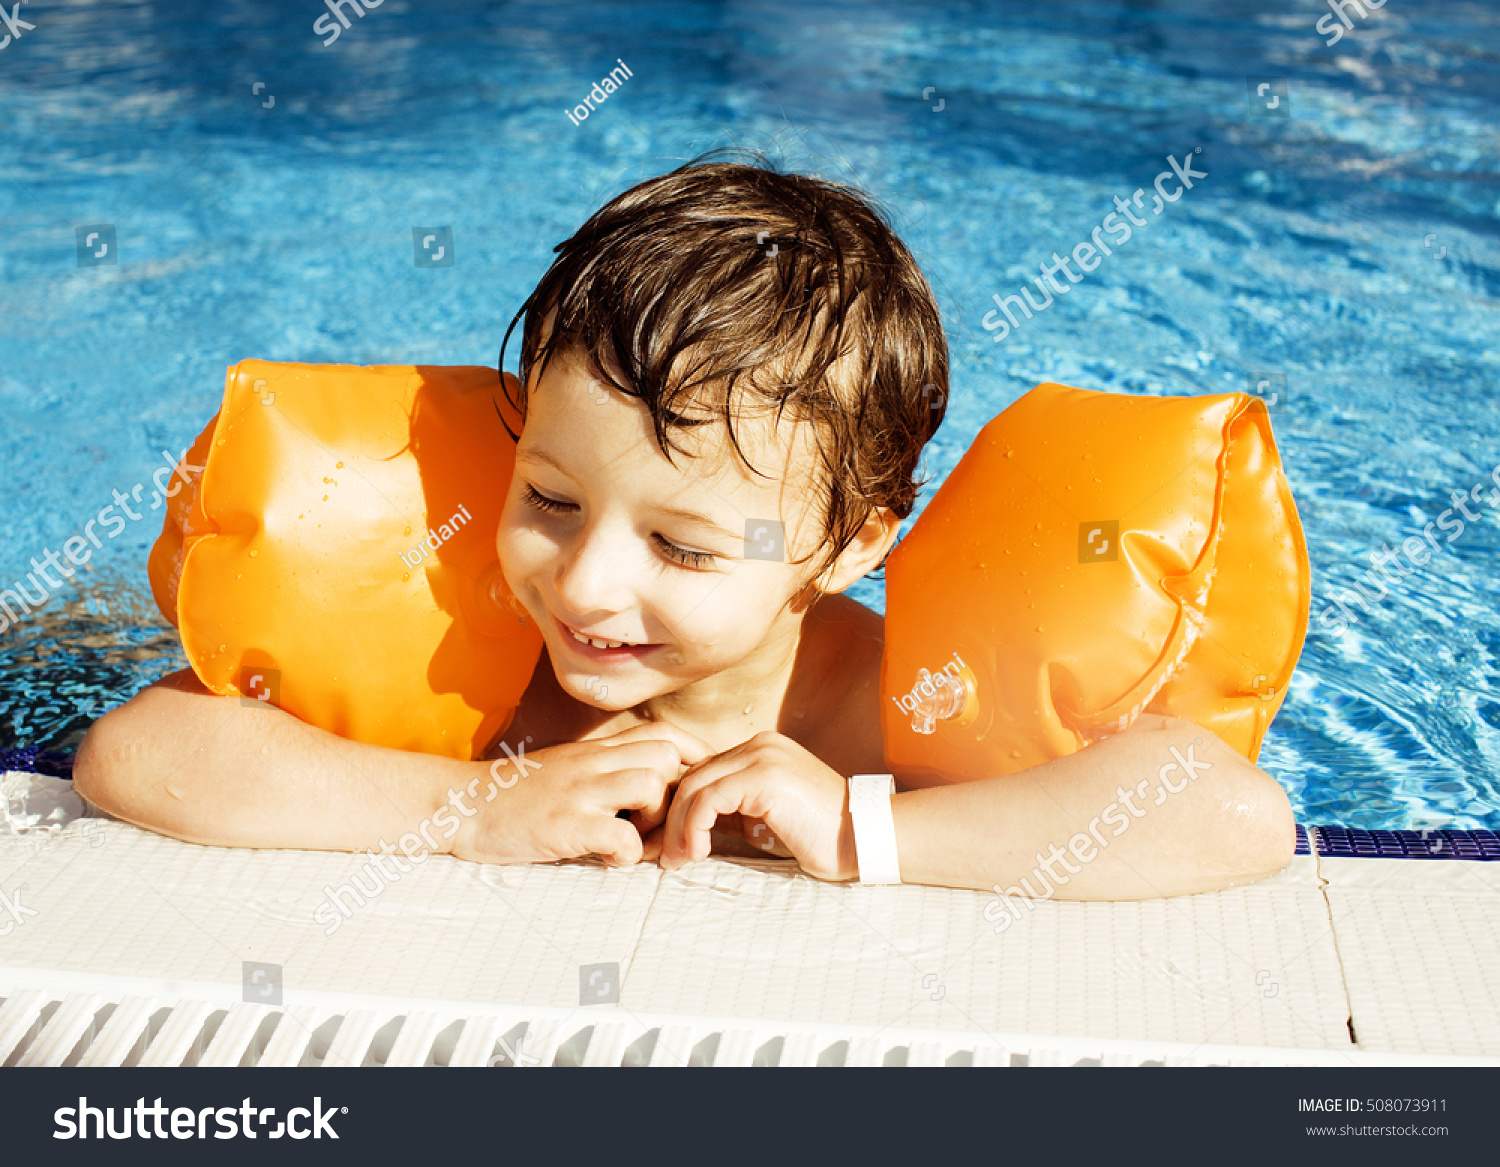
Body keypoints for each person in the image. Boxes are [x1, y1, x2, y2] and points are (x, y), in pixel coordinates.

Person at [73, 154, 1295, 899]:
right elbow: (138, 755)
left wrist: (863, 828)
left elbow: (1228, 812)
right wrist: (476, 813)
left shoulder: (887, 718)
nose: (587, 587)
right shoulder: (488, 679)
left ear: (857, 544)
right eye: (549, 500)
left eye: (687, 548)